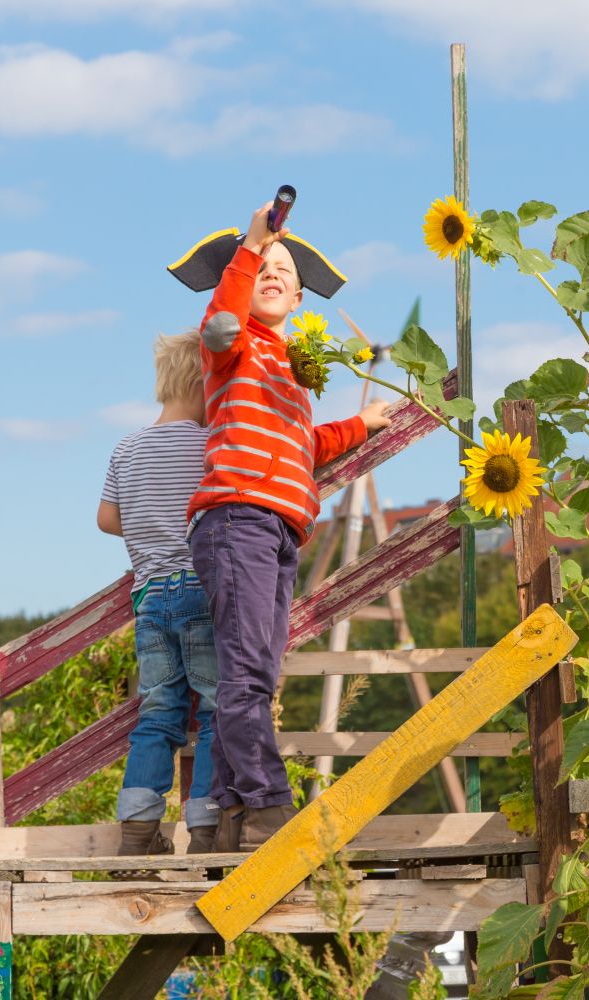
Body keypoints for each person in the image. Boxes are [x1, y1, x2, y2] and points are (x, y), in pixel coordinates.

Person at [182, 200, 391, 850]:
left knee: (258, 676)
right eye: (263, 269)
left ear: (300, 297)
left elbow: (305, 442)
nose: (272, 274)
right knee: (245, 672)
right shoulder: (234, 344)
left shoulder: (292, 372)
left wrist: (362, 426)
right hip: (237, 516)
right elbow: (217, 323)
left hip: (280, 528)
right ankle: (270, 807)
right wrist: (251, 245)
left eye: (283, 272)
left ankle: (229, 815)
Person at [97, 330, 221, 870]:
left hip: (149, 598)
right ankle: (206, 828)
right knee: (216, 709)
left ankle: (139, 828)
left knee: (158, 713)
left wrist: (147, 529)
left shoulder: (126, 447)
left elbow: (106, 519)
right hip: (200, 589)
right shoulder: (210, 444)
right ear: (206, 385)